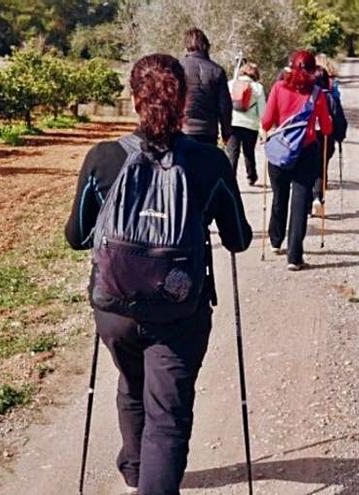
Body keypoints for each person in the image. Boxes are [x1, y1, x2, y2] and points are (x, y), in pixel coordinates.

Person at [64, 54, 252, 494]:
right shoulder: (209, 162)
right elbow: (239, 238)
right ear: (185, 102)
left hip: (115, 308)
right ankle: (149, 479)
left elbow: (77, 236)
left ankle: (134, 471)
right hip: (179, 309)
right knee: (167, 416)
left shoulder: (103, 158)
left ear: (133, 101)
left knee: (131, 382)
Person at [262, 50, 333, 271]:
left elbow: (266, 121)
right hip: (306, 152)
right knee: (300, 205)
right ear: (313, 70)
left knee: (279, 197)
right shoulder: (317, 94)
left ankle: (275, 241)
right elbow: (327, 127)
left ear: (289, 67)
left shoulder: (278, 88)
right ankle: (294, 256)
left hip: (280, 153)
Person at [179, 27, 232, 145]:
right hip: (208, 131)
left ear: (186, 46)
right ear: (205, 45)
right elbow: (225, 107)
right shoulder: (217, 71)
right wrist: (226, 132)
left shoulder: (177, 67)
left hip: (181, 130)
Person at [311, 66, 348, 217]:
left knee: (307, 170)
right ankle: (318, 198)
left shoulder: (307, 95)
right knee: (321, 168)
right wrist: (340, 136)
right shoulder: (330, 97)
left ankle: (307, 204)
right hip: (326, 138)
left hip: (307, 137)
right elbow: (340, 120)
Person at [226, 62, 266, 186]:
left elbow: (225, 104)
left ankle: (229, 177)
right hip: (250, 125)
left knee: (233, 152)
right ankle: (251, 176)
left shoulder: (231, 84)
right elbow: (262, 110)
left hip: (233, 123)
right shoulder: (258, 88)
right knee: (249, 152)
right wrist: (263, 128)